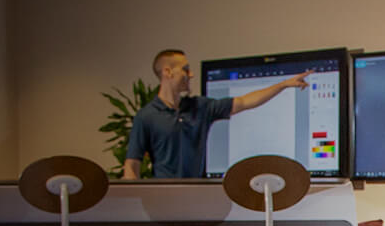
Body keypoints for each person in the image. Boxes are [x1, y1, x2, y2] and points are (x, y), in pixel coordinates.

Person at [124, 49, 311, 178]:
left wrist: (283, 85)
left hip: (196, 198)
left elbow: (245, 102)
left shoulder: (200, 106)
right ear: (167, 72)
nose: (191, 75)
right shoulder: (146, 116)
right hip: (162, 200)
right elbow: (132, 166)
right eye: (185, 69)